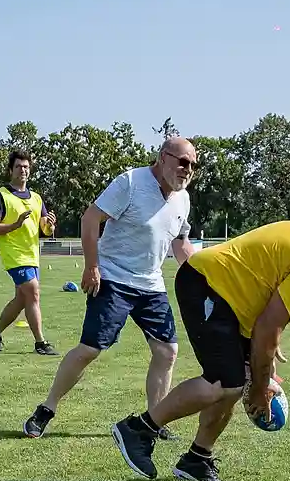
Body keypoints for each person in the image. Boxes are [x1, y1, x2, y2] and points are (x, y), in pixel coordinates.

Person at [112, 220, 290, 481]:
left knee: (235, 382)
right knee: (224, 383)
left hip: (230, 298)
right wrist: (260, 387)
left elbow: (272, 309)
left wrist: (265, 355)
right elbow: (267, 328)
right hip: (207, 284)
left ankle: (197, 459)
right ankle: (139, 429)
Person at [21, 137, 197, 439]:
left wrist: (201, 275)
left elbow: (180, 244)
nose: (187, 169)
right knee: (90, 349)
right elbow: (90, 218)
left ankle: (155, 420)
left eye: (193, 165)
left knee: (167, 351)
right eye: (182, 162)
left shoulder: (183, 199)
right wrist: (92, 266)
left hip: (151, 284)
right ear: (162, 158)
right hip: (113, 278)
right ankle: (46, 409)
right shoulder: (130, 182)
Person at [0, 148, 58, 355]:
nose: (22, 170)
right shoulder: (1, 195)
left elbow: (45, 230)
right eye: (18, 166)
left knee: (23, 299)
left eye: (26, 167)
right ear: (10, 170)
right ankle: (40, 343)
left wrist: (50, 225)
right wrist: (14, 225)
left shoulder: (37, 198)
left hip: (32, 255)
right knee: (33, 293)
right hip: (14, 254)